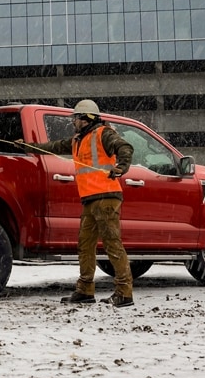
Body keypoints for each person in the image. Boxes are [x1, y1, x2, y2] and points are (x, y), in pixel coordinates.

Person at [16, 99, 135, 307]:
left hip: (107, 197)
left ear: (87, 118)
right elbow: (52, 147)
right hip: (90, 199)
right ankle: (85, 290)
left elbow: (124, 147)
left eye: (76, 118)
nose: (73, 122)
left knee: (112, 245)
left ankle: (124, 293)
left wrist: (121, 166)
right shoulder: (77, 140)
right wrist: (28, 147)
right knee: (85, 245)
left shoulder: (103, 133)